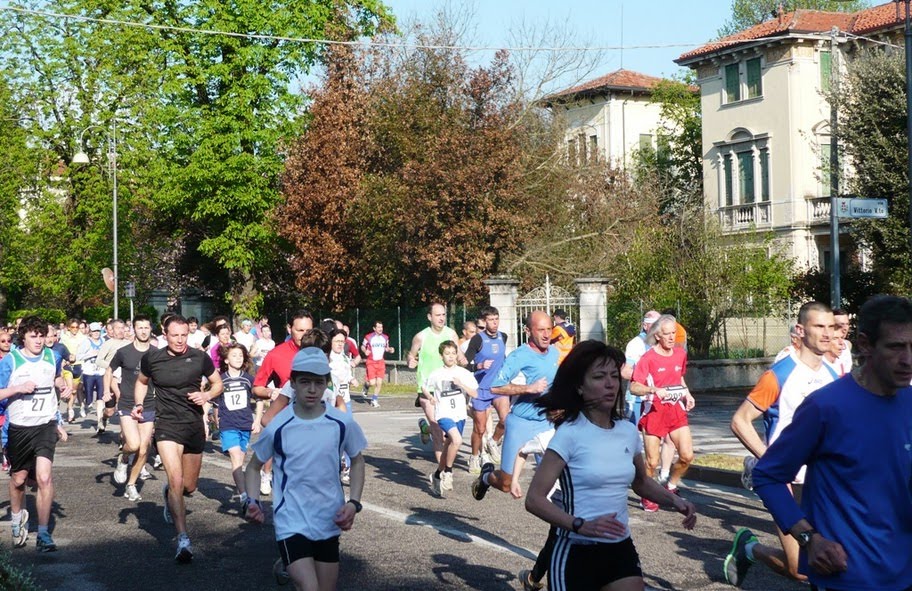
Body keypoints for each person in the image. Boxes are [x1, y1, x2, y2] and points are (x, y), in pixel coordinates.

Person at [748, 295, 912, 591]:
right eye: (896, 347)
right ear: (865, 344)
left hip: (903, 571)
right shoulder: (826, 407)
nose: (908, 359)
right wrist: (809, 538)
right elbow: (767, 476)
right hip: (848, 575)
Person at [525, 340, 697, 591]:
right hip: (576, 551)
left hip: (619, 547)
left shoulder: (627, 431)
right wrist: (580, 524)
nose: (610, 384)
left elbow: (641, 482)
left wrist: (675, 501)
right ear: (580, 386)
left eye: (614, 376)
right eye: (599, 377)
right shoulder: (569, 434)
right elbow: (534, 499)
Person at [724, 301, 836, 586]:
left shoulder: (833, 376)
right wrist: (771, 461)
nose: (827, 333)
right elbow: (740, 421)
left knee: (825, 561)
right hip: (785, 482)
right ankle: (750, 548)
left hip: (820, 483)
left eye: (831, 327)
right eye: (819, 326)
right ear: (801, 329)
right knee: (800, 569)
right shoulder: (779, 375)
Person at [244, 347, 367, 591]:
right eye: (305, 382)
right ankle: (292, 564)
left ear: (327, 384)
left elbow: (357, 460)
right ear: (293, 383)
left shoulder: (341, 423)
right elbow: (254, 467)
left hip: (328, 518)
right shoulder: (279, 426)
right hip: (291, 520)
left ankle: (288, 566)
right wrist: (253, 501)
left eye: (319, 382)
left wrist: (354, 503)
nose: (312, 389)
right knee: (311, 587)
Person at [132, 315, 224, 563]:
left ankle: (170, 494)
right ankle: (183, 539)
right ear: (165, 334)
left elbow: (217, 384)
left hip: (193, 425)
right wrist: (139, 404)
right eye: (175, 335)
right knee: (176, 479)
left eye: (184, 335)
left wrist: (206, 396)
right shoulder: (152, 358)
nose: (180, 340)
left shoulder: (199, 357)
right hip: (166, 425)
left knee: (189, 487)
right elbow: (141, 382)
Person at [0, 315, 72, 552]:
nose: (39, 340)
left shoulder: (52, 356)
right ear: (23, 337)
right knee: (19, 480)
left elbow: (57, 378)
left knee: (44, 477)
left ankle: (43, 534)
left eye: (42, 336)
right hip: (19, 428)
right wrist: (18, 388)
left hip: (45, 425)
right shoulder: (10, 361)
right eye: (34, 336)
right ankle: (17, 518)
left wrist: (62, 386)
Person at [472, 311, 559, 501]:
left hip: (546, 423)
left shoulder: (555, 353)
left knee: (555, 480)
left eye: (549, 329)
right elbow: (495, 387)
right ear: (528, 331)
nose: (546, 335)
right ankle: (486, 477)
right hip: (521, 423)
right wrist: (529, 388)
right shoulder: (519, 356)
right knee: (506, 483)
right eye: (541, 330)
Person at [629, 314, 695, 512]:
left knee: (687, 456)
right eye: (667, 334)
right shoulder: (647, 358)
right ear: (657, 336)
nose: (672, 337)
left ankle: (671, 486)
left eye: (674, 333)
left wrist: (688, 395)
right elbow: (634, 387)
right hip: (654, 412)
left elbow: (679, 378)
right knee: (652, 461)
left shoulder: (680, 354)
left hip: (676, 411)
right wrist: (653, 390)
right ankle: (647, 495)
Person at [108, 315, 156, 502]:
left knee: (144, 449)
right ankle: (124, 458)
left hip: (149, 403)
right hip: (127, 403)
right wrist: (107, 391)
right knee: (134, 444)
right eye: (140, 327)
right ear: (133, 329)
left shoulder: (156, 353)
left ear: (151, 329)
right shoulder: (124, 352)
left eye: (146, 327)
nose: (143, 331)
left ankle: (131, 485)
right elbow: (109, 371)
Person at [407, 303, 463, 461]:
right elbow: (411, 355)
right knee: (438, 429)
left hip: (448, 388)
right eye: (438, 315)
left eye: (444, 314)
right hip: (427, 389)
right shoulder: (421, 337)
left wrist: (466, 361)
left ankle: (425, 428)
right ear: (429, 317)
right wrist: (411, 361)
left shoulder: (451, 334)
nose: (442, 318)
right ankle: (442, 471)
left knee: (447, 432)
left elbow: (459, 356)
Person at [423, 340, 478, 498]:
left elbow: (475, 393)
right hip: (443, 414)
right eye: (447, 354)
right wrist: (430, 397)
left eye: (453, 353)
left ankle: (437, 475)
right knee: (457, 440)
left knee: (449, 446)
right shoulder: (436, 374)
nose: (451, 356)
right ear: (441, 356)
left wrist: (461, 384)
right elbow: (424, 387)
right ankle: (448, 472)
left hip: (459, 415)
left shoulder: (463, 373)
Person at [463, 306, 509, 473]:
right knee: (480, 429)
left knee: (506, 420)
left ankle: (493, 441)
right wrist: (479, 366)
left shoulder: (503, 337)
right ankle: (474, 456)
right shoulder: (477, 340)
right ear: (484, 321)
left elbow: (502, 358)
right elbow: (464, 364)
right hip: (481, 389)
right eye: (491, 320)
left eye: (496, 319)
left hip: (499, 387)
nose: (495, 323)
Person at [216, 343, 262, 509]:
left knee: (240, 461)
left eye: (241, 356)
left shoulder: (248, 379)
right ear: (226, 360)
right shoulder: (221, 380)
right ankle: (245, 498)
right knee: (235, 457)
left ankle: (242, 490)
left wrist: (257, 420)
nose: (238, 358)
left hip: (245, 424)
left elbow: (259, 399)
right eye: (234, 355)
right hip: (228, 424)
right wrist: (210, 420)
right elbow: (213, 401)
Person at [621, 310, 660, 426]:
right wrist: (645, 378)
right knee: (634, 433)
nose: (657, 328)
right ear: (645, 325)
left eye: (659, 324)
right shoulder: (636, 344)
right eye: (654, 325)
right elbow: (625, 372)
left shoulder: (661, 343)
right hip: (637, 399)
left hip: (656, 397)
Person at [96, 319, 130, 433]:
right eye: (117, 328)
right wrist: (113, 366)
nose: (120, 331)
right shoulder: (108, 344)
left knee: (124, 407)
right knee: (110, 411)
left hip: (125, 379)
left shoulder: (129, 343)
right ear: (112, 330)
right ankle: (104, 417)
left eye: (122, 328)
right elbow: (99, 361)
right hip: (111, 378)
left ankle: (123, 434)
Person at [76, 322, 106, 433]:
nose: (96, 333)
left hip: (101, 372)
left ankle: (99, 422)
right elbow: (78, 356)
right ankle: (84, 404)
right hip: (89, 372)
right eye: (94, 331)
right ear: (90, 332)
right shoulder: (86, 342)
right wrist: (91, 354)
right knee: (89, 398)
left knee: (100, 398)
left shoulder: (104, 341)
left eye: (98, 331)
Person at [360, 321, 394, 408]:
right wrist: (365, 351)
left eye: (381, 327)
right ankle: (366, 386)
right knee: (372, 383)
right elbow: (362, 346)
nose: (380, 329)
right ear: (374, 328)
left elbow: (386, 348)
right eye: (378, 327)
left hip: (380, 362)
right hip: (371, 362)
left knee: (379, 383)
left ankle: (374, 400)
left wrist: (390, 349)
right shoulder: (368, 337)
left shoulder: (385, 337)